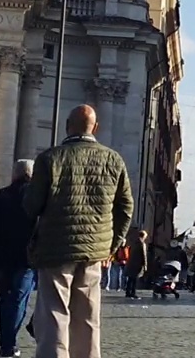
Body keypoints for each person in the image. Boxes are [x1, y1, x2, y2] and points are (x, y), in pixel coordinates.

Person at [24, 104, 134, 358]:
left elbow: (31, 206)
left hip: (54, 247)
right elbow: (125, 208)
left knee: (54, 312)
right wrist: (113, 245)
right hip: (96, 249)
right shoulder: (113, 160)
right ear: (95, 128)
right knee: (88, 315)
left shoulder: (49, 159)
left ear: (66, 126)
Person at [0, 160, 37, 358]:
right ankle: (9, 344)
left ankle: (5, 343)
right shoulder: (34, 197)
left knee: (5, 299)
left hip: (0, 257)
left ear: (14, 175)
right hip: (25, 258)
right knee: (18, 300)